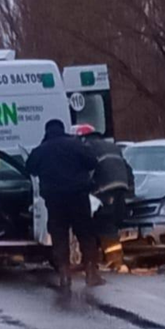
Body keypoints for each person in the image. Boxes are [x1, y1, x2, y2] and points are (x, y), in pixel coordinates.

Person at [26, 119, 103, 290]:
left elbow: (29, 168)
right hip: (78, 196)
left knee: (59, 236)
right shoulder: (75, 145)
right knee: (85, 234)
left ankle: (64, 274)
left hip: (54, 200)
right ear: (62, 130)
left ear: (47, 131)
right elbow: (93, 162)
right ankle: (91, 272)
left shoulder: (41, 150)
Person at [74, 124, 134, 273]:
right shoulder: (111, 146)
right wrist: (130, 192)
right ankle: (102, 259)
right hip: (121, 189)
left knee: (105, 226)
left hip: (104, 190)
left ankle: (115, 262)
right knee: (110, 223)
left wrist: (86, 190)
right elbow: (128, 169)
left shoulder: (86, 147)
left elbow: (86, 171)